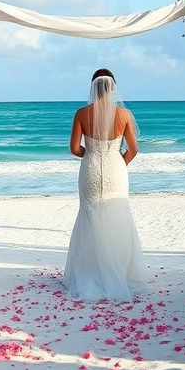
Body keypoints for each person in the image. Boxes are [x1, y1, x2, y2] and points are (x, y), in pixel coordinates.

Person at [62, 68, 148, 301]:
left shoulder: (81, 113)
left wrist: (91, 154)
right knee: (117, 214)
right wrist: (118, 163)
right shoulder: (124, 115)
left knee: (89, 215)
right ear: (112, 88)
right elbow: (133, 149)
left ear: (93, 87)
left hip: (90, 169)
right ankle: (118, 272)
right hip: (115, 169)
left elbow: (74, 149)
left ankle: (90, 272)